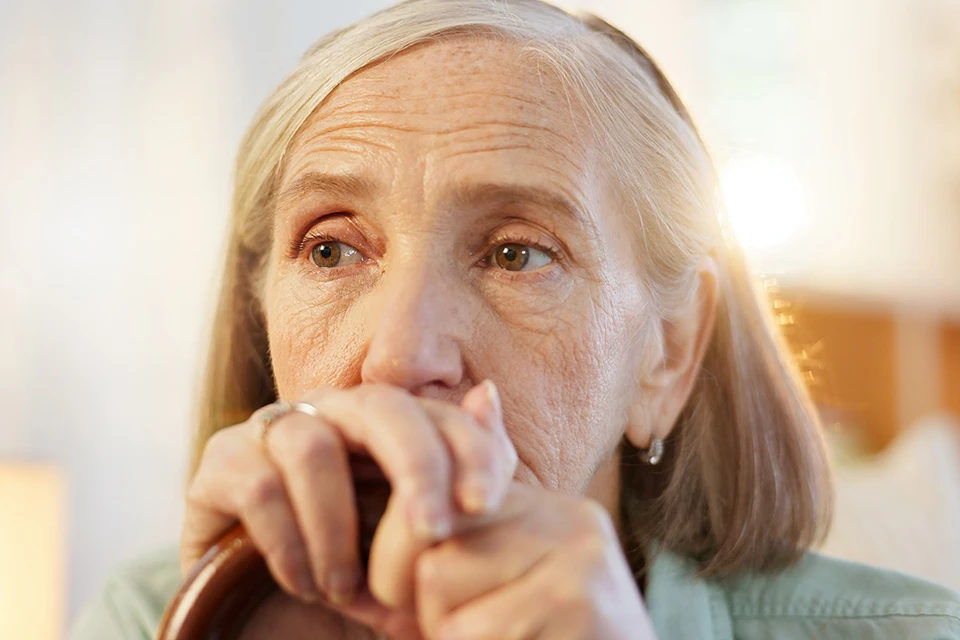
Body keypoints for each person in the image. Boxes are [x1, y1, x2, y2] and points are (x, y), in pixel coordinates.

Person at [71, 0, 960, 638]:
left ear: (668, 352)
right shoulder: (145, 617)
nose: (400, 358)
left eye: (517, 252)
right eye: (332, 248)